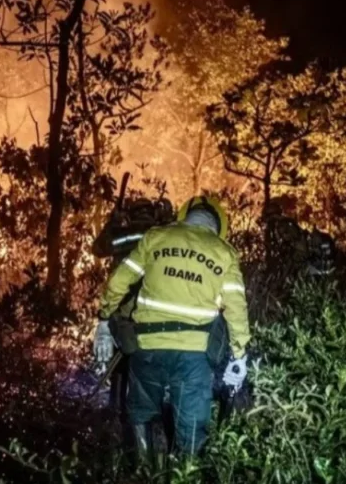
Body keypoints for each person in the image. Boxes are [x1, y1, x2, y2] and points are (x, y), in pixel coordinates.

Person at [93, 196, 251, 457]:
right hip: (194, 357)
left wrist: (103, 317)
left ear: (184, 215)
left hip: (147, 348)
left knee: (140, 414)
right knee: (191, 427)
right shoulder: (224, 252)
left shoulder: (156, 237)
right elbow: (236, 308)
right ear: (218, 225)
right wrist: (239, 353)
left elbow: (119, 280)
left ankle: (144, 472)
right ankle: (184, 479)